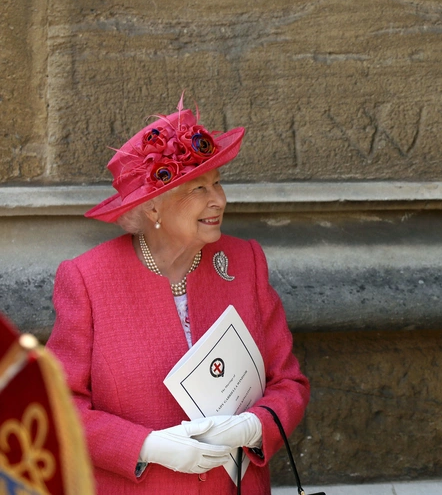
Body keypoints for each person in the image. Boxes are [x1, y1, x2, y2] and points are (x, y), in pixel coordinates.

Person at [46, 96, 310, 494]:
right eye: (197, 188)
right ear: (152, 208)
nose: (218, 200)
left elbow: (289, 383)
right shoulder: (87, 279)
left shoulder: (246, 261)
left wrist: (254, 425)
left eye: (218, 182)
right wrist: (147, 446)